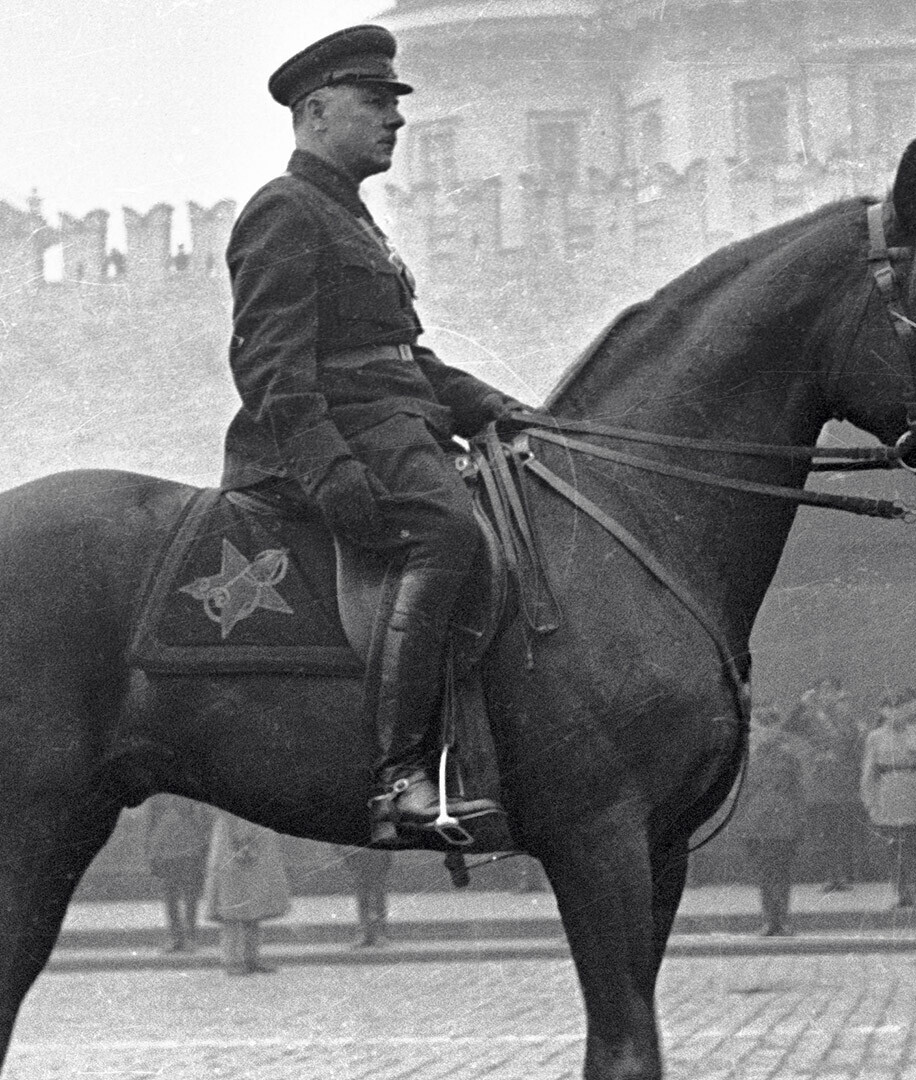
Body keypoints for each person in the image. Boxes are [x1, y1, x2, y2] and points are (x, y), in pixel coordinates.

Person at [220, 24, 533, 845]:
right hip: (344, 441)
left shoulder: (353, 221)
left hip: (393, 427)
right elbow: (273, 368)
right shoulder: (284, 211)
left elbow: (400, 359)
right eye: (375, 103)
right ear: (317, 112)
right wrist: (329, 471)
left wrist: (492, 403)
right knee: (445, 533)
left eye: (396, 105)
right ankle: (400, 777)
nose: (395, 120)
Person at [860, 689, 916, 909]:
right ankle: (900, 893)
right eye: (891, 708)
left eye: (901, 707)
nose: (896, 712)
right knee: (894, 849)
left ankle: (914, 892)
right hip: (889, 795)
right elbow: (869, 773)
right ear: (883, 711)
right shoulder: (875, 737)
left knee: (914, 848)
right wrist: (870, 801)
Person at [732, 707, 808, 936]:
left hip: (784, 822)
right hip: (756, 823)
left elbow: (798, 792)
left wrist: (798, 821)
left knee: (782, 873)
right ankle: (768, 921)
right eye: (761, 727)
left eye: (771, 727)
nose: (766, 732)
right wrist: (742, 824)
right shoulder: (746, 758)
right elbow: (740, 794)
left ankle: (782, 921)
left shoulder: (790, 758)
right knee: (763, 875)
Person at [204, 812, 291, 976]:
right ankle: (233, 961)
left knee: (252, 910)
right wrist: (244, 845)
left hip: (251, 861)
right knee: (233, 913)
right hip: (235, 858)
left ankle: (251, 958)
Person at [798, 681, 863, 893]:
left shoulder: (847, 716)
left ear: (838, 693)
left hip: (842, 785)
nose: (826, 696)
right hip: (819, 785)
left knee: (842, 834)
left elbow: (852, 744)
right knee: (823, 835)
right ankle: (829, 876)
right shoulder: (809, 717)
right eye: (822, 691)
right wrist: (802, 705)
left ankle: (842, 876)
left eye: (830, 691)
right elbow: (787, 728)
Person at [143, 794, 213, 953]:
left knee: (190, 896)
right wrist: (150, 853)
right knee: (170, 896)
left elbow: (204, 820)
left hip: (190, 849)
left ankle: (190, 937)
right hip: (165, 850)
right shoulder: (157, 795)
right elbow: (150, 824)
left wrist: (203, 848)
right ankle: (174, 937)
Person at [345, 846, 393, 947]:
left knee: (378, 893)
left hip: (378, 850)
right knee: (362, 894)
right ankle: (364, 933)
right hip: (357, 851)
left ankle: (380, 933)